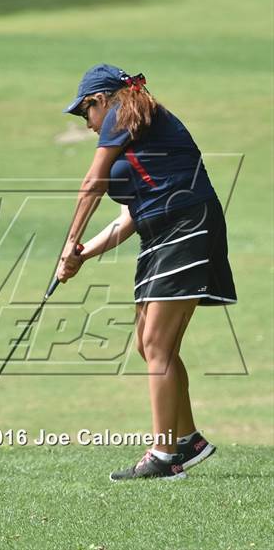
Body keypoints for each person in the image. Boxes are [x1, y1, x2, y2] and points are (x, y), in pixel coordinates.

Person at [57, 63, 237, 481]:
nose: (87, 126)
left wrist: (68, 244)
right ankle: (187, 440)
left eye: (85, 113)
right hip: (165, 230)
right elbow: (129, 218)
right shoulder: (138, 131)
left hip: (185, 226)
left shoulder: (122, 113)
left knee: (157, 344)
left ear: (99, 100)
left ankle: (162, 454)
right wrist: (84, 256)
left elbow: (93, 183)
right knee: (151, 344)